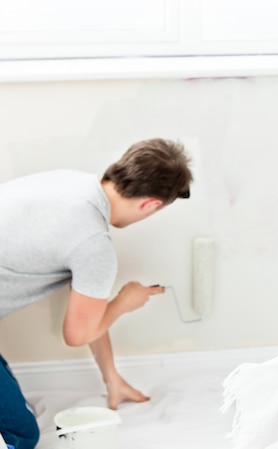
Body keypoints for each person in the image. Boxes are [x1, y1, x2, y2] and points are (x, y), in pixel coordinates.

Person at [0, 137, 193, 449]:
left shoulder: (68, 183)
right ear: (151, 204)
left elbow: (88, 311)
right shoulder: (92, 243)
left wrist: (111, 377)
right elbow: (77, 334)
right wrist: (124, 302)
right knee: (20, 435)